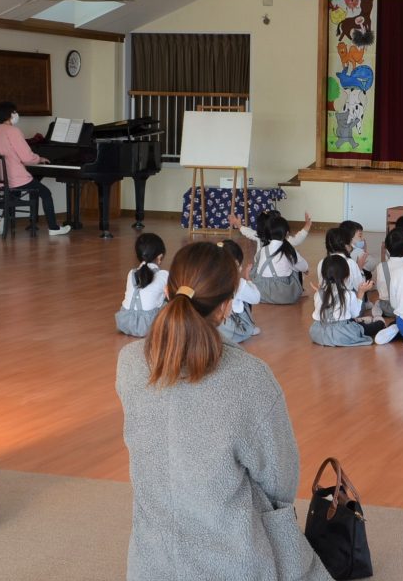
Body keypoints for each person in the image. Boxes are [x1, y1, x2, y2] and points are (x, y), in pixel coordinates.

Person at [116, 243, 330, 580]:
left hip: (150, 559)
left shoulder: (130, 362)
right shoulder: (249, 376)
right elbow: (279, 482)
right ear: (227, 306)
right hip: (234, 558)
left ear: (169, 291)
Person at [0, 101, 70, 235]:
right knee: (45, 193)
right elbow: (26, 157)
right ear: (9, 114)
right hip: (15, 177)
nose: (16, 114)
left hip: (1, 177)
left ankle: (3, 223)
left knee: (15, 193)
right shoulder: (13, 131)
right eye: (14, 112)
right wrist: (39, 159)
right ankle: (54, 228)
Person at [310, 256, 381, 347]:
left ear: (323, 275)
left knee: (348, 319)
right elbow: (355, 313)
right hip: (341, 334)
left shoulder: (318, 294)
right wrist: (360, 293)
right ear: (346, 275)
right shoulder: (348, 294)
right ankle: (380, 322)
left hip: (319, 334)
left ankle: (361, 321)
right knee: (373, 326)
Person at [115, 233, 169, 337]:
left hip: (125, 322)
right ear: (160, 257)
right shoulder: (163, 275)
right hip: (149, 325)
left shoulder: (131, 273)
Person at [251, 215, 308, 304]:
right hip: (284, 295)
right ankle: (300, 291)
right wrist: (305, 270)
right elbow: (304, 266)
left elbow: (256, 261)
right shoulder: (289, 250)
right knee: (296, 267)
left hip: (260, 292)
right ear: (287, 234)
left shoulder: (263, 249)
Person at [217, 240, 261, 344]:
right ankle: (248, 328)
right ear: (236, 263)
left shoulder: (206, 276)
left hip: (210, 326)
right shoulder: (238, 282)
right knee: (245, 297)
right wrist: (248, 280)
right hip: (230, 331)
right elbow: (256, 298)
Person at [229, 210, 311, 253]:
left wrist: (239, 225)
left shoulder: (261, 236)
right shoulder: (284, 238)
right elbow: (297, 239)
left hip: (260, 272)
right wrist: (307, 225)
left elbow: (249, 232)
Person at [372, 227, 403, 320]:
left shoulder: (381, 266)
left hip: (387, 309)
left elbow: (377, 287)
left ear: (387, 248)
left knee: (377, 302)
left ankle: (378, 317)